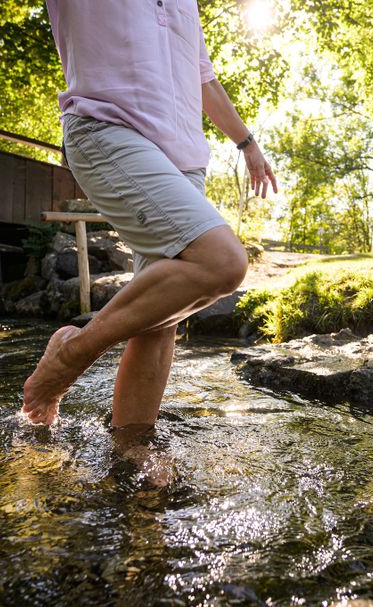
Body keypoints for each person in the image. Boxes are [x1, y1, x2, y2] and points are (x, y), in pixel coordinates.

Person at [22, 0, 278, 428]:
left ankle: (131, 444)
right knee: (222, 261)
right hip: (108, 129)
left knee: (157, 321)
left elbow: (203, 79)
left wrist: (247, 143)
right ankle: (72, 354)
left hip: (185, 162)